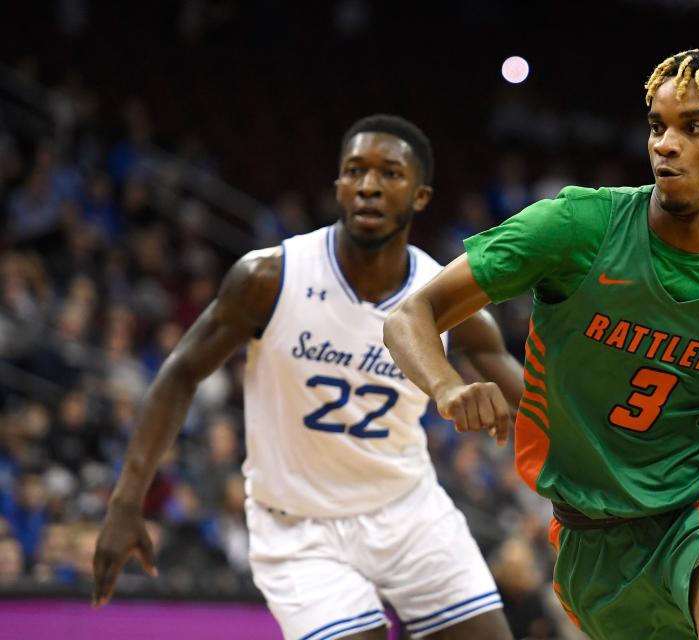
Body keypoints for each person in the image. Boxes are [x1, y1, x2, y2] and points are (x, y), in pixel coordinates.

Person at [383, 49, 699, 640]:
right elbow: (411, 314)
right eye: (658, 126)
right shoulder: (580, 227)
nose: (665, 144)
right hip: (589, 541)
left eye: (692, 127)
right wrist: (447, 387)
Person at [92, 114, 521, 640]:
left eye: (389, 173)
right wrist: (126, 500)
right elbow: (180, 375)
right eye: (355, 171)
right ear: (338, 185)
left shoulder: (450, 300)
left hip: (408, 511)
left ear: (421, 196)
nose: (368, 185)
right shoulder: (269, 277)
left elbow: (539, 404)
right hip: (298, 527)